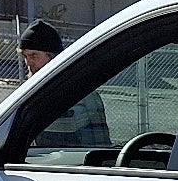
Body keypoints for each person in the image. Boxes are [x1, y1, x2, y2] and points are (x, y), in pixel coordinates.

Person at [19, 19, 112, 150]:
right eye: (25, 56)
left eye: (34, 56)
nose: (28, 63)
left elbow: (100, 147)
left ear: (53, 57)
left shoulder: (83, 96)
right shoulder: (28, 94)